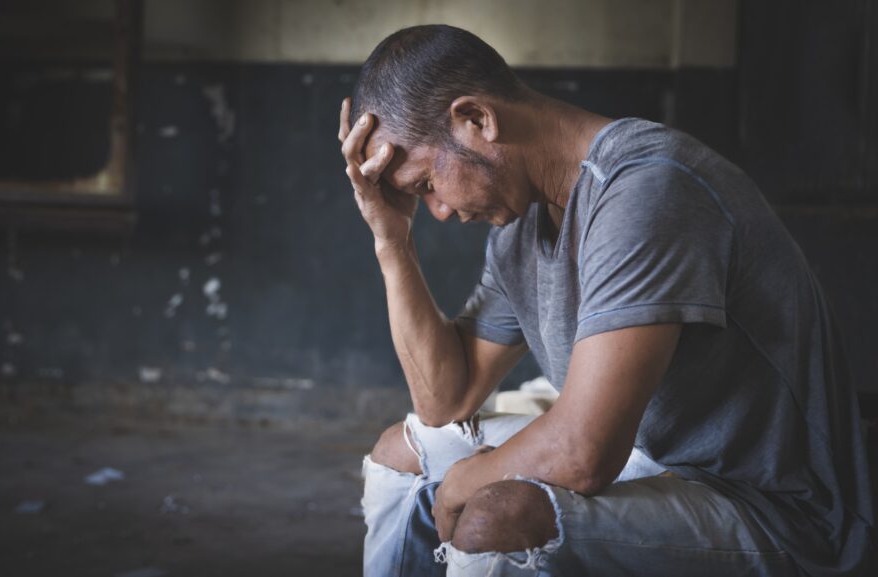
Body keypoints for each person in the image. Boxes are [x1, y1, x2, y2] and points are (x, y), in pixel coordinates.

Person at [337, 24, 874, 577]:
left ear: (476, 120)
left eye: (426, 185)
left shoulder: (649, 188)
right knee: (403, 459)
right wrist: (391, 238)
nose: (441, 212)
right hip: (652, 458)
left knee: (497, 519)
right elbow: (445, 402)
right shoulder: (520, 227)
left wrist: (460, 487)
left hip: (770, 506)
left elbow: (582, 453)